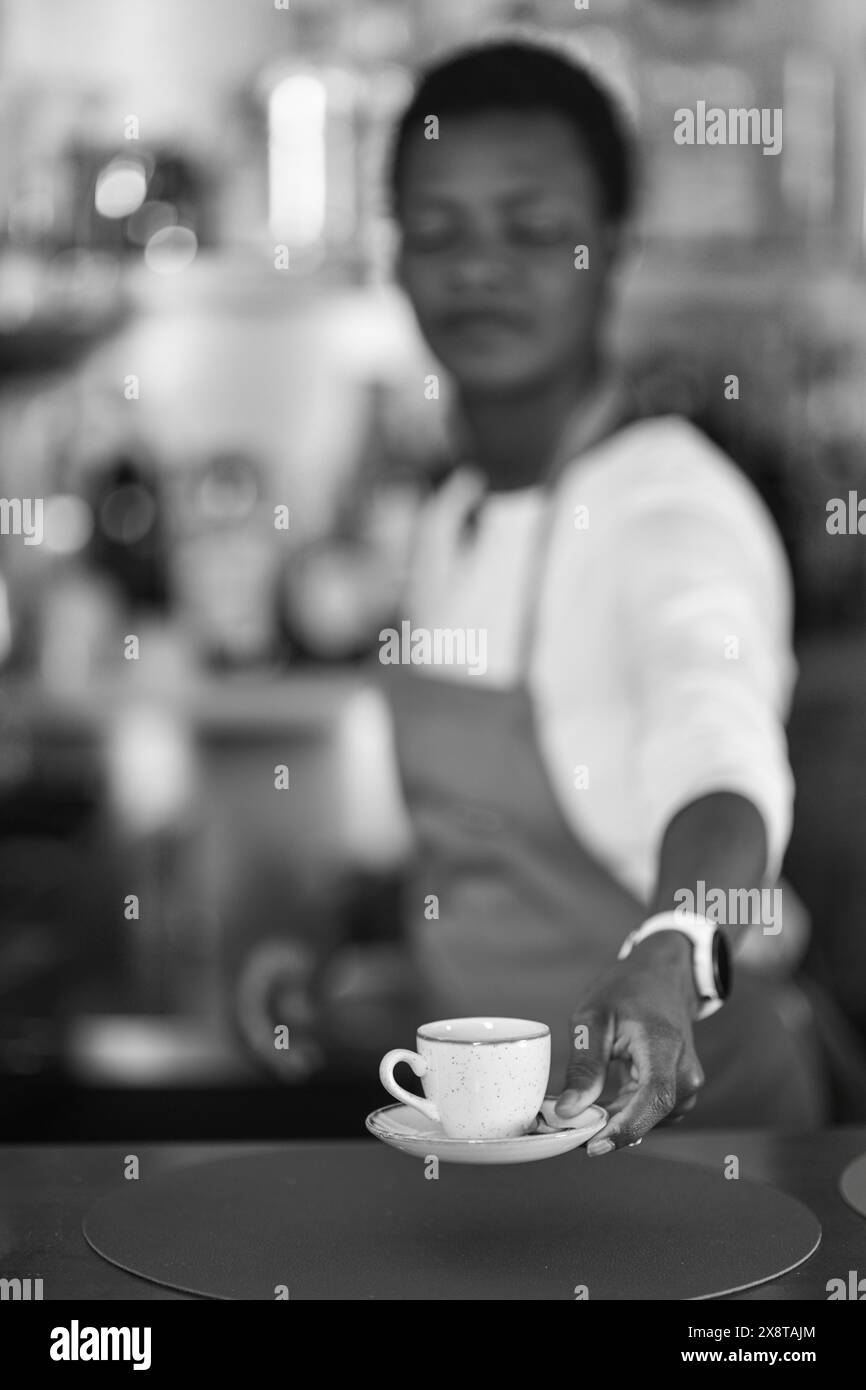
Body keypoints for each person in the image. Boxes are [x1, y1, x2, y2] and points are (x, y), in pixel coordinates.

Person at [377, 36, 825, 1151]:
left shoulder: (671, 510)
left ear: (610, 248)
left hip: (698, 1149)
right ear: (393, 258)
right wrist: (366, 987)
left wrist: (674, 944)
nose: (478, 269)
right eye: (437, 231)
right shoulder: (451, 512)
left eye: (531, 229)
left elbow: (718, 753)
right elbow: (483, 891)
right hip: (499, 1151)